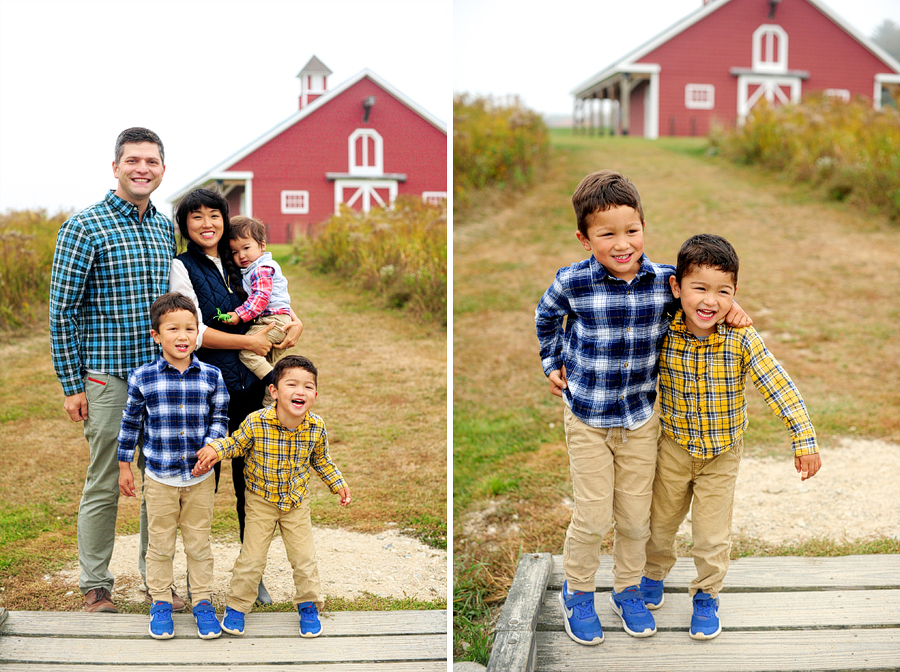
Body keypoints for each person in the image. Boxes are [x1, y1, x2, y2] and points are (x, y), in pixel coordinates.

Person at [534, 170, 750, 646]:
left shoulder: (665, 283)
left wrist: (734, 310)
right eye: (607, 234)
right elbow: (546, 316)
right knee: (592, 517)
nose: (622, 243)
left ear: (643, 227)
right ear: (584, 237)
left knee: (635, 518)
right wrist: (552, 361)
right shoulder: (572, 282)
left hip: (640, 420)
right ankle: (578, 593)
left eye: (631, 230)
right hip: (588, 418)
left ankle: (628, 590)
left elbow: (704, 297)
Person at [641, 233, 821, 640]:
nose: (710, 301)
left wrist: (803, 438)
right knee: (659, 522)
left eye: (723, 292)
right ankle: (652, 575)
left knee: (711, 533)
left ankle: (706, 595)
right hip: (673, 447)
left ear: (735, 294)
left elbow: (778, 385)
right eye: (699, 288)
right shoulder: (663, 330)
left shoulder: (741, 338)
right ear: (677, 287)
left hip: (722, 453)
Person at [49, 127, 175, 613]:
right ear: (116, 167)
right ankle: (95, 584)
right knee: (104, 480)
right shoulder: (85, 227)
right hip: (108, 378)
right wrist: (71, 384)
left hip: (161, 378)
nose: (142, 169)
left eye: (152, 161)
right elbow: (63, 312)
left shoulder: (165, 227)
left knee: (159, 483)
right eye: (133, 160)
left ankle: (156, 581)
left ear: (162, 169)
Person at [169, 187, 303, 604]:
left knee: (253, 483)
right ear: (185, 226)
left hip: (248, 391)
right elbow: (194, 330)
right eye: (196, 217)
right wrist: (249, 344)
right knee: (202, 484)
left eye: (214, 215)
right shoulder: (182, 266)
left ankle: (251, 575)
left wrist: (294, 321)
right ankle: (199, 580)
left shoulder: (240, 261)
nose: (207, 223)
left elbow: (273, 303)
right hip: (204, 389)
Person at [192, 355, 351, 637]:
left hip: (296, 502)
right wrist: (216, 449)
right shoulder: (257, 422)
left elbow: (322, 461)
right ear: (274, 391)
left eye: (308, 386)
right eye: (292, 384)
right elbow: (236, 444)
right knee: (252, 559)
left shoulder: (316, 427)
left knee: (304, 559)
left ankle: (308, 606)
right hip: (261, 500)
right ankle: (238, 606)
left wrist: (337, 484)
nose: (300, 391)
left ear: (315, 394)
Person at [117, 293, 229, 639]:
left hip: (199, 479)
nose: (182, 336)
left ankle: (203, 601)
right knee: (160, 544)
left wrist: (212, 446)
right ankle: (161, 601)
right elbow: (130, 424)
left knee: (199, 543)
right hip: (160, 478)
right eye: (173, 329)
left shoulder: (212, 376)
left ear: (197, 333)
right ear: (156, 335)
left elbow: (220, 416)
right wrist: (124, 465)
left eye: (189, 329)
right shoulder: (143, 377)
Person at [218, 215, 295, 406]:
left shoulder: (261, 269)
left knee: (247, 353)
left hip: (273, 321)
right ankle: (271, 403)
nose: (241, 256)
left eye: (246, 248)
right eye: (235, 252)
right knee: (266, 362)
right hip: (276, 320)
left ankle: (275, 384)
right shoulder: (252, 267)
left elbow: (261, 298)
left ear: (262, 245)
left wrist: (239, 315)